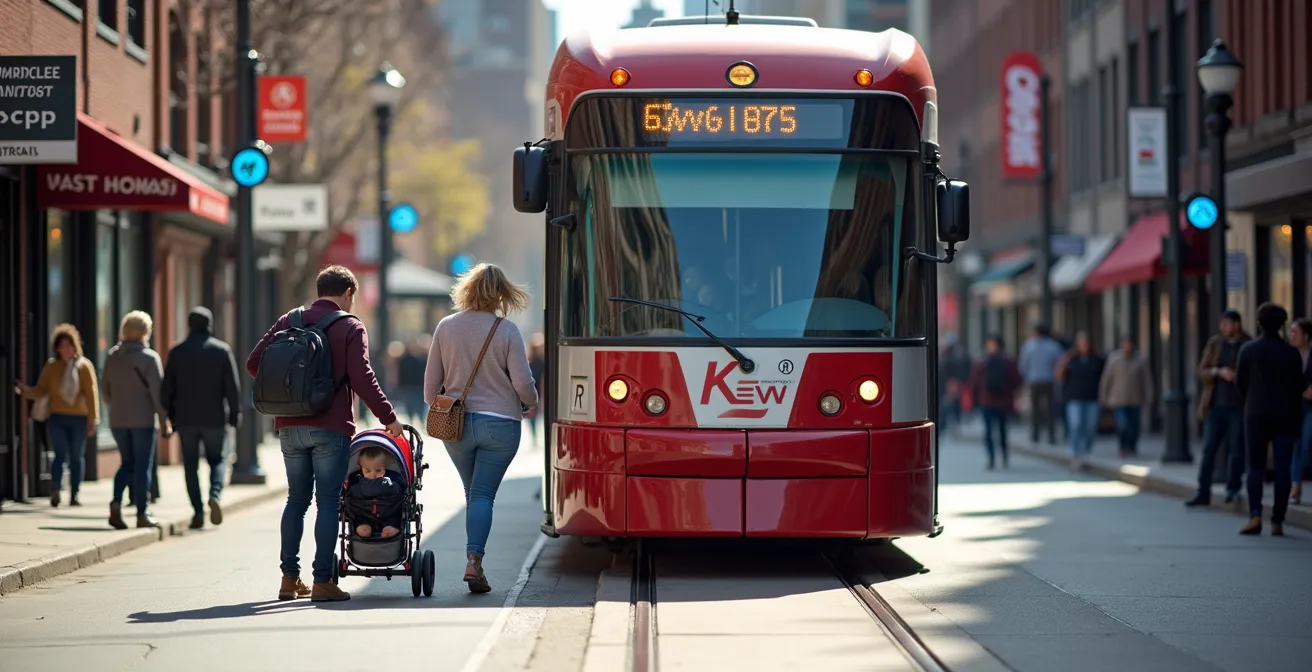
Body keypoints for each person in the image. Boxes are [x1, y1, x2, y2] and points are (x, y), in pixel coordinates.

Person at [248, 265, 403, 603]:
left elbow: (254, 362)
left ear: (320, 290)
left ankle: (289, 579)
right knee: (328, 502)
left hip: (289, 425)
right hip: (330, 426)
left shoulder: (288, 320)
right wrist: (389, 418)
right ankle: (322, 581)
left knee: (296, 500)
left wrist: (288, 392)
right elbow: (362, 377)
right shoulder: (350, 326)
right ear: (348, 293)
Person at [425, 262, 538, 594]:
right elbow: (523, 384)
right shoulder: (506, 331)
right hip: (500, 426)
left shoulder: (446, 327)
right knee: (483, 495)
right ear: (501, 294)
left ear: (467, 290)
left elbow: (430, 392)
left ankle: (476, 560)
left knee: (473, 494)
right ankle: (474, 561)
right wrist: (529, 403)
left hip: (456, 427)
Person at [161, 307, 241, 530]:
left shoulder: (177, 352)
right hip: (215, 417)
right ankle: (215, 494)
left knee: (190, 464)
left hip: (186, 419)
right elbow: (232, 388)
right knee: (217, 459)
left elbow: (166, 389)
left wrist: (170, 413)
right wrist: (235, 414)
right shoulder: (221, 350)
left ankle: (197, 511)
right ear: (210, 324)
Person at [1234, 302, 1303, 536]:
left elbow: (1239, 384)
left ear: (1258, 323)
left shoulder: (1248, 350)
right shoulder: (1290, 352)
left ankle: (1255, 515)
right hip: (1285, 415)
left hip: (1256, 414)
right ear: (1283, 324)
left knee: (1255, 466)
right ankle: (1277, 520)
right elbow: (1299, 386)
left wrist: (1253, 398)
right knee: (1282, 467)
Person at [14, 324, 99, 507]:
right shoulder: (52, 367)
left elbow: (92, 394)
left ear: (75, 346)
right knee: (59, 454)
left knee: (76, 457)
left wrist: (93, 419)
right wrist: (25, 391)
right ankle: (55, 489)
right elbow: (41, 390)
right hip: (58, 417)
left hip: (79, 418)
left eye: (68, 345)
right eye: (61, 346)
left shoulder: (84, 366)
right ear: (57, 348)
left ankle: (75, 494)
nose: (65, 349)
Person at [102, 311, 170, 529]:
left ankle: (115, 503)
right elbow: (158, 395)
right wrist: (164, 419)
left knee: (127, 464)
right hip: (142, 421)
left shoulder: (112, 356)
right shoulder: (150, 358)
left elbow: (105, 389)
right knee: (142, 467)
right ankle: (142, 513)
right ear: (143, 332)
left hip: (118, 420)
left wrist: (116, 406)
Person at [1186, 310, 1252, 507]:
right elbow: (1201, 370)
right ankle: (1203, 491)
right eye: (1221, 324)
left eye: (1227, 324)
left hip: (1238, 406)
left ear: (1237, 324)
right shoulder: (1215, 343)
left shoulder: (1247, 344)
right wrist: (1218, 372)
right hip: (1215, 406)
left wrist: (1237, 376)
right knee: (1209, 450)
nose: (1223, 328)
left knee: (1237, 450)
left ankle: (1233, 489)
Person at [968, 334, 1022, 470]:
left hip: (986, 401)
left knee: (988, 430)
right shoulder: (1008, 361)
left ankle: (991, 458)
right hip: (1004, 401)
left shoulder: (983, 362)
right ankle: (1003, 453)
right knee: (1002, 429)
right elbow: (1017, 379)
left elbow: (974, 380)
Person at [1099, 335, 1153, 457]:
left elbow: (1146, 380)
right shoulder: (1114, 360)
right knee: (1122, 425)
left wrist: (1148, 396)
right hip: (1118, 399)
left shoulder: (1140, 360)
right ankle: (1123, 446)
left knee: (1134, 426)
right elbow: (1106, 379)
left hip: (1136, 399)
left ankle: (1132, 446)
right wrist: (1104, 396)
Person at [1055, 332, 1103, 468]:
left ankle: (1086, 451)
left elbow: (1103, 379)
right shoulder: (1071, 359)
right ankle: (1074, 452)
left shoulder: (1097, 360)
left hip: (1092, 397)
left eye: (1086, 342)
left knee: (1090, 426)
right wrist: (1064, 362)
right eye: (1081, 342)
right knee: (1076, 424)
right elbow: (1059, 376)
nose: (1084, 345)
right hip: (1074, 397)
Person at [1019, 323, 1064, 446]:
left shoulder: (1029, 346)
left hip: (1034, 381)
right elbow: (1060, 363)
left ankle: (1035, 435)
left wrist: (1025, 378)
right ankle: (1051, 435)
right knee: (1050, 409)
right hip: (1049, 380)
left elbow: (1023, 365)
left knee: (1035, 409)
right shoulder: (1053, 346)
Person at [347, 445, 405, 539]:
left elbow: (400, 492)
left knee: (395, 515)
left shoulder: (390, 482)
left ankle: (391, 528)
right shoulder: (357, 482)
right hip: (365, 516)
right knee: (362, 525)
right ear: (361, 469)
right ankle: (365, 528)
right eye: (367, 471)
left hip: (388, 514)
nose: (373, 475)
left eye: (378, 470)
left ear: (384, 468)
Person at [1289, 318, 1312, 504]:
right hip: (1294, 405)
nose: (1292, 336)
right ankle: (1295, 486)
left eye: (1295, 332)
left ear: (1306, 336)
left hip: (1310, 406)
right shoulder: (1288, 355)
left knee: (1306, 443)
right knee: (1295, 446)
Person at [939, 334, 972, 437]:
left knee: (947, 405)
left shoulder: (945, 359)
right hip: (953, 384)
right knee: (952, 405)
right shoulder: (957, 358)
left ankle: (946, 424)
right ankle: (953, 422)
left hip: (948, 385)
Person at [526, 333, 546, 447]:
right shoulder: (530, 361)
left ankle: (536, 436)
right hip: (532, 391)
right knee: (532, 416)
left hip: (537, 391)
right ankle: (534, 436)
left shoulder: (541, 361)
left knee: (536, 415)